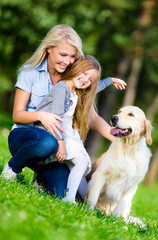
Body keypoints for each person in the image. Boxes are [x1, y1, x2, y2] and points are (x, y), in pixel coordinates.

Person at [1, 24, 126, 199]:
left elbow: (92, 113)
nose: (67, 61)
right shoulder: (30, 73)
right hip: (26, 137)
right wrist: (40, 115)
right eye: (63, 55)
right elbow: (17, 115)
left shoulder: (74, 76)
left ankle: (41, 178)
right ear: (49, 49)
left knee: (61, 193)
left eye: (73, 56)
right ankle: (13, 167)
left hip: (54, 148)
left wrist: (119, 139)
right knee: (48, 142)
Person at [35, 55, 101, 204]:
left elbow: (97, 85)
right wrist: (61, 143)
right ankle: (70, 198)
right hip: (55, 134)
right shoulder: (62, 88)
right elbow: (56, 116)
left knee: (81, 163)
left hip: (66, 135)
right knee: (81, 161)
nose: (85, 80)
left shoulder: (76, 91)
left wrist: (111, 81)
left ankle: (89, 204)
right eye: (84, 73)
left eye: (90, 79)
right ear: (76, 68)